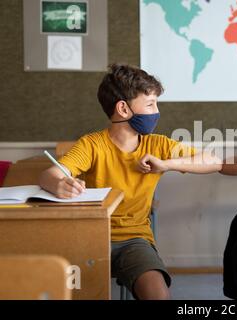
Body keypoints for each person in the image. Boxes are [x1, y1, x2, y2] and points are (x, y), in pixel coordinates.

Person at [39, 63, 222, 300]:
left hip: (135, 241)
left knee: (158, 294)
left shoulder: (157, 144)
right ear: (123, 109)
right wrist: (59, 184)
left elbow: (213, 160)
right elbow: (48, 175)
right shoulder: (91, 144)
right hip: (88, 235)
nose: (156, 111)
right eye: (150, 104)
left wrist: (167, 164)